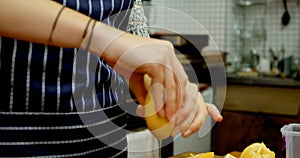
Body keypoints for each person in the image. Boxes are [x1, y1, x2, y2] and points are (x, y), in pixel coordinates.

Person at [0, 0, 222, 157]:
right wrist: (109, 41)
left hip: (107, 145)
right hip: (19, 142)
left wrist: (170, 93)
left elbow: (133, 36)